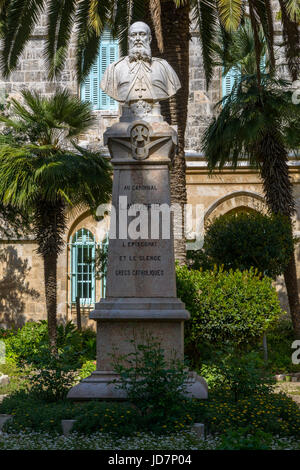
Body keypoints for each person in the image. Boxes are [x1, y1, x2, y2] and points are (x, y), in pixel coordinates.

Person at [100, 21, 181, 107]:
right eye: (133, 35)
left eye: (142, 34)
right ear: (128, 39)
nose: (137, 38)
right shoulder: (114, 68)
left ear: (149, 39)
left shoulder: (164, 67)